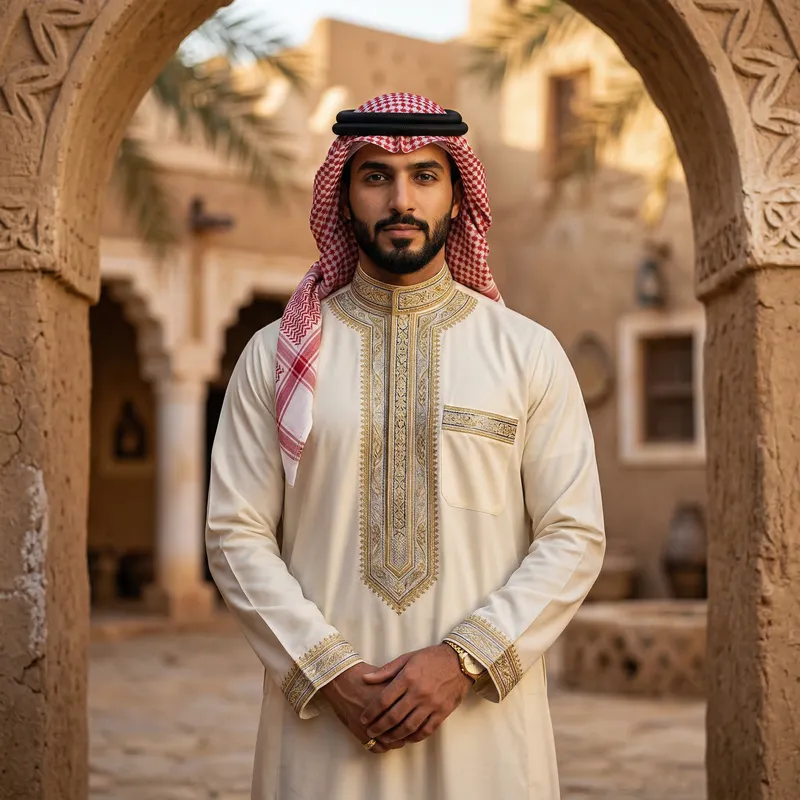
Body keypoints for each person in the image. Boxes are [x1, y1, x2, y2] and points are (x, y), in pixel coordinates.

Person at [205, 92, 605, 800]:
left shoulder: (526, 353)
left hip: (484, 729)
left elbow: (572, 534)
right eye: (375, 176)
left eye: (424, 175)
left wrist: (463, 661)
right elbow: (236, 534)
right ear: (344, 195)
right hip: (323, 727)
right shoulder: (274, 357)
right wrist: (326, 669)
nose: (400, 199)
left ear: (457, 195)